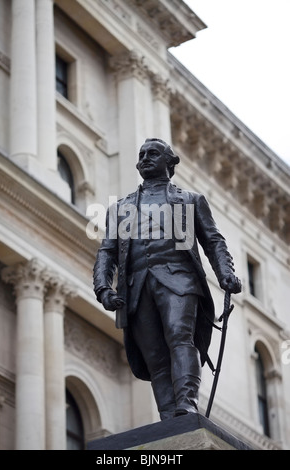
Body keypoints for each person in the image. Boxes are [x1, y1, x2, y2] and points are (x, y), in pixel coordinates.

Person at [93, 138, 241, 420]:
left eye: (153, 153)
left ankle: (187, 403)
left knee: (180, 337)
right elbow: (107, 251)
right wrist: (103, 288)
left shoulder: (190, 200)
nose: (145, 158)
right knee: (155, 357)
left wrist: (226, 274)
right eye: (142, 154)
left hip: (179, 279)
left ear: (170, 163)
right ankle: (169, 417)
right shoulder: (121, 208)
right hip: (136, 287)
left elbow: (213, 241)